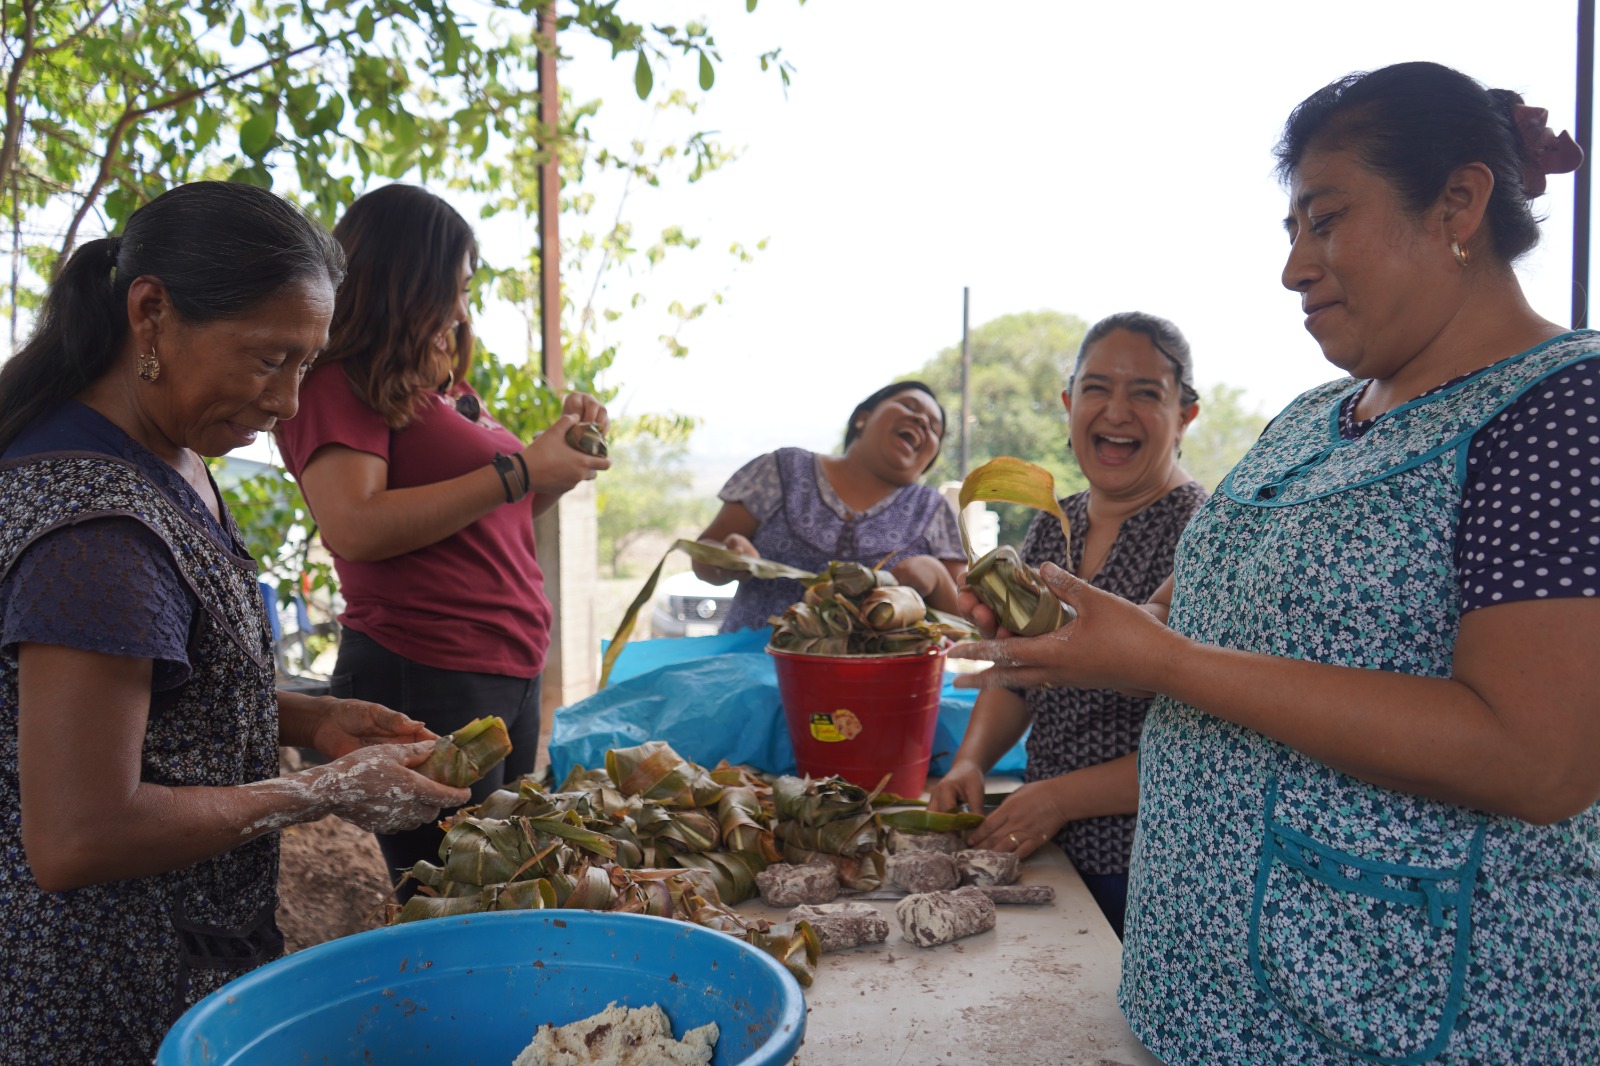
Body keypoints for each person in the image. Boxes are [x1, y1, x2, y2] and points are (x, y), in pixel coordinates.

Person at [951, 62, 1600, 1064]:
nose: (1295, 266)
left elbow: (1537, 754)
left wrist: (1162, 664)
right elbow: (1211, 626)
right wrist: (1086, 629)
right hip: (1196, 1001)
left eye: (1326, 220)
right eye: (1290, 231)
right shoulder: (1309, 421)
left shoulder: (1558, 413)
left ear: (1457, 203)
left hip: (1393, 1016)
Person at [0, 182, 470, 1064]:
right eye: (268, 359)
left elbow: (153, 681)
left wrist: (309, 715)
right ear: (151, 314)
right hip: (102, 989)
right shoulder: (99, 532)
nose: (291, 402)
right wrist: (319, 793)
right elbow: (76, 834)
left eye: (307, 363)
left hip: (192, 951)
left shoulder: (174, 453)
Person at [275, 184, 609, 895]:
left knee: (511, 876)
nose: (461, 309)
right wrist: (518, 470)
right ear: (405, 280)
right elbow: (356, 525)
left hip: (501, 669)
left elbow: (494, 512)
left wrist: (557, 462)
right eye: (452, 287)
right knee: (451, 894)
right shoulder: (338, 382)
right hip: (423, 667)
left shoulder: (437, 392)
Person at [927, 312, 1206, 937]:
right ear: (1068, 402)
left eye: (1145, 394)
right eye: (1097, 388)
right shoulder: (1055, 521)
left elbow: (1209, 737)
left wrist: (1060, 798)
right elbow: (1019, 672)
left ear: (1185, 415)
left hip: (1150, 866)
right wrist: (970, 762)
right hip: (1044, 847)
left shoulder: (1205, 534)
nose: (1116, 411)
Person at [695, 381, 965, 630]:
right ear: (863, 417)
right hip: (748, 670)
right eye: (909, 406)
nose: (921, 421)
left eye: (934, 428)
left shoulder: (933, 510)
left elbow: (967, 627)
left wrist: (937, 576)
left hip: (884, 681)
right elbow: (703, 556)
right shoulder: (783, 469)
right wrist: (725, 558)